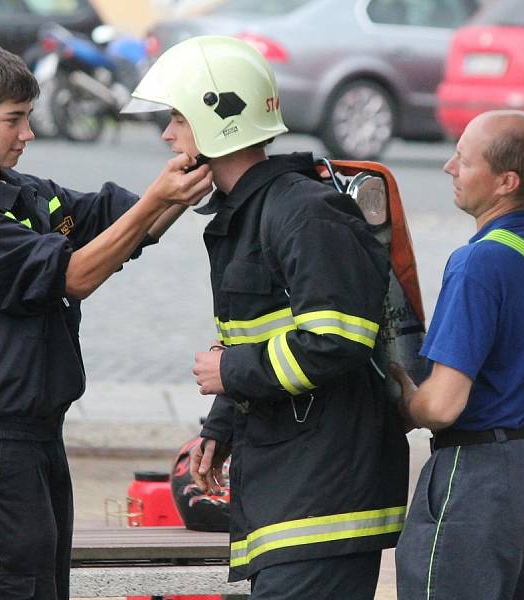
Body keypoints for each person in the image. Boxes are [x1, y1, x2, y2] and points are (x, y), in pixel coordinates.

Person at [0, 42, 212, 600]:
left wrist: (198, 168)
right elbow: (72, 276)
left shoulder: (22, 193)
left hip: (39, 438)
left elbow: (122, 225)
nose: (28, 133)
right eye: (15, 120)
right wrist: (157, 199)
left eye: (28, 117)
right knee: (10, 591)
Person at [123, 35, 409, 599]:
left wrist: (230, 373)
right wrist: (221, 425)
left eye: (177, 117)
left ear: (215, 118)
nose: (168, 134)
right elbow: (261, 334)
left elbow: (338, 339)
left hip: (323, 505)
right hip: (292, 492)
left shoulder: (304, 213)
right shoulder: (255, 214)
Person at [389, 109, 524, 599]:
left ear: (505, 182)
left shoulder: (479, 261)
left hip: (482, 479)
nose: (449, 167)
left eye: (464, 159)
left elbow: (441, 405)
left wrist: (402, 398)